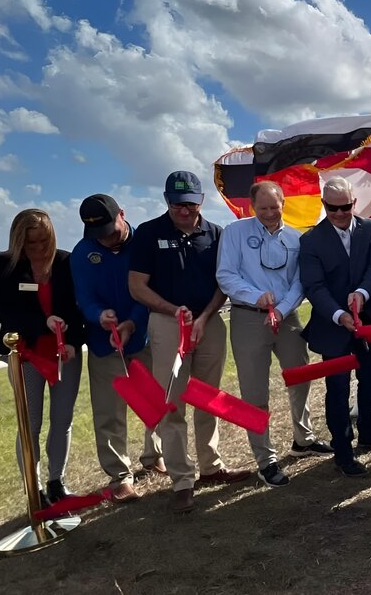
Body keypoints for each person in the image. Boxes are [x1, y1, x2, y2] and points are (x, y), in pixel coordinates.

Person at [129, 172, 251, 514]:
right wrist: (173, 311)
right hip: (168, 325)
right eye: (176, 203)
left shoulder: (216, 234)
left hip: (209, 322)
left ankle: (211, 467)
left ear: (201, 200)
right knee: (171, 403)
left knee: (207, 397)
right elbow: (137, 286)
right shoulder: (149, 234)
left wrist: (204, 316)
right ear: (167, 200)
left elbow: (223, 281)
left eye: (190, 203)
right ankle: (182, 479)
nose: (184, 210)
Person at [217, 181, 332, 489]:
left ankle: (303, 438)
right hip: (248, 318)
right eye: (263, 208)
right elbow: (226, 274)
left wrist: (281, 309)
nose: (269, 213)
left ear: (284, 203)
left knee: (300, 375)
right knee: (254, 391)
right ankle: (265, 459)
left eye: (274, 206)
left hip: (287, 316)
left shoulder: (296, 238)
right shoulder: (235, 233)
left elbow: (300, 282)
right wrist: (255, 296)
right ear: (253, 207)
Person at [298, 176, 371, 478]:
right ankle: (343, 450)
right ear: (323, 205)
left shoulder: (370, 229)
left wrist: (364, 293)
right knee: (338, 388)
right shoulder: (310, 241)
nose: (340, 214)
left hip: (368, 318)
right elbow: (313, 287)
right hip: (333, 325)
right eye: (333, 208)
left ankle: (370, 432)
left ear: (354, 203)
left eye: (345, 207)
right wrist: (339, 313)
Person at [0, 209, 86, 502]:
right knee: (30, 423)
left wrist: (72, 340)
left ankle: (57, 481)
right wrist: (41, 323)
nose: (40, 249)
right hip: (26, 354)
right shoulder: (3, 265)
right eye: (32, 244)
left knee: (62, 419)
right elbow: (3, 309)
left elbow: (77, 307)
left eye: (45, 241)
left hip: (64, 353)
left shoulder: (67, 262)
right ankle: (35, 487)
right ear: (19, 242)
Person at [71, 194, 162, 504]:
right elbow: (83, 297)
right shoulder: (83, 252)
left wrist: (133, 323)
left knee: (155, 401)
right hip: (103, 342)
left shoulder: (144, 244)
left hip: (142, 336)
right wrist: (100, 316)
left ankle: (155, 455)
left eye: (111, 230)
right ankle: (120, 476)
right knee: (109, 412)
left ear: (122, 214)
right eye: (99, 235)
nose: (107, 239)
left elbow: (150, 291)